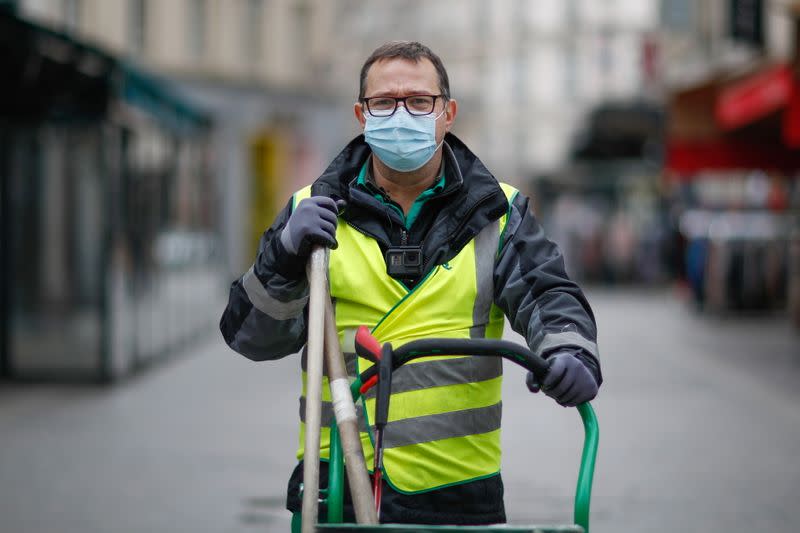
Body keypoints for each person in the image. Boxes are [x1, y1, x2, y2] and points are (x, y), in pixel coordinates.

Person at [220, 41, 602, 527]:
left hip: (457, 494)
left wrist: (570, 351)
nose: (402, 114)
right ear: (361, 114)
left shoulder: (498, 215)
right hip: (335, 488)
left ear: (448, 113)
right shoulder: (310, 214)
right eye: (384, 102)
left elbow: (548, 294)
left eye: (420, 101)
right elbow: (249, 338)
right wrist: (282, 258)